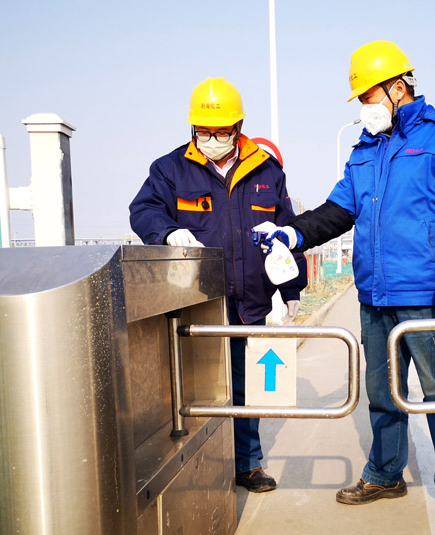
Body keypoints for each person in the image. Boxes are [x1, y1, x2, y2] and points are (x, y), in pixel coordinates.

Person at [252, 41, 435, 526]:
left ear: (397, 87)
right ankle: (385, 473)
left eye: (367, 95)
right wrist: (292, 233)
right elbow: (336, 212)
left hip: (425, 293)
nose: (363, 107)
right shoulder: (365, 151)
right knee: (382, 393)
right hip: (374, 295)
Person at [129, 77, 307, 494]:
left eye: (221, 131)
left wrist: (292, 289)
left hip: (251, 301)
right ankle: (202, 465)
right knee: (195, 388)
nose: (211, 139)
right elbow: (143, 210)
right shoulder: (170, 170)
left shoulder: (266, 170)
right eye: (204, 131)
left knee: (246, 387)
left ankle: (247, 463)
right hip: (196, 302)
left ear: (238, 126)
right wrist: (167, 231)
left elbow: (287, 230)